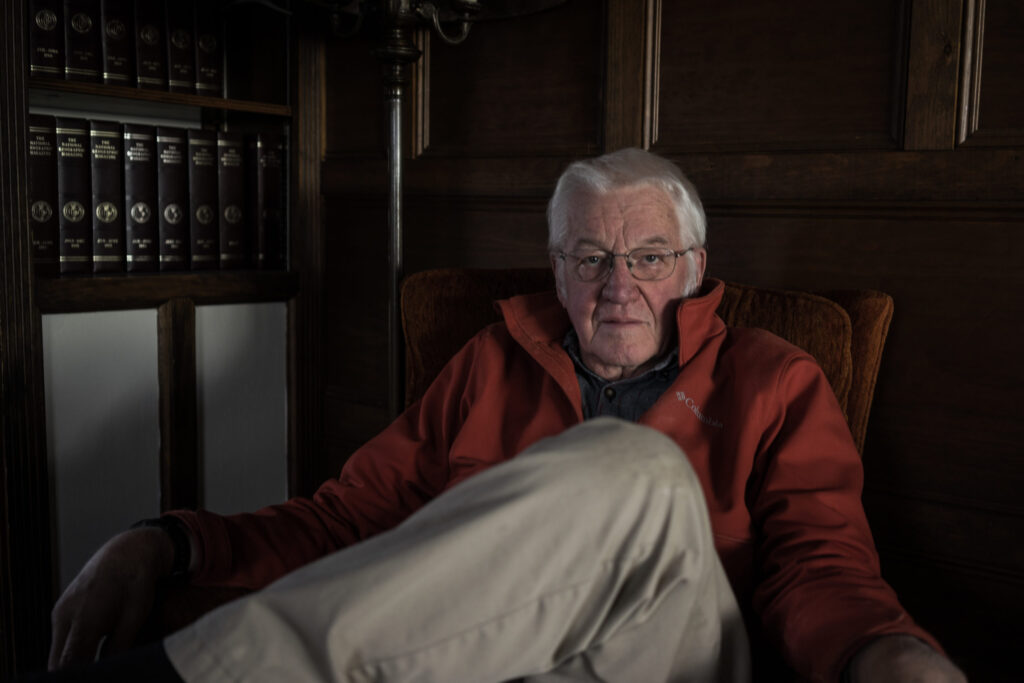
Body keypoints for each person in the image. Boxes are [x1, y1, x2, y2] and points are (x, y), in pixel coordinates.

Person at [42, 149, 966, 683]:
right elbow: (347, 521)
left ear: (692, 267)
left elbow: (820, 567)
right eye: (591, 257)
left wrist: (886, 656)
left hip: (670, 659)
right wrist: (167, 539)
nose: (618, 286)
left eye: (648, 256)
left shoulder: (775, 377)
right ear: (556, 269)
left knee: (636, 470)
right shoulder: (486, 364)